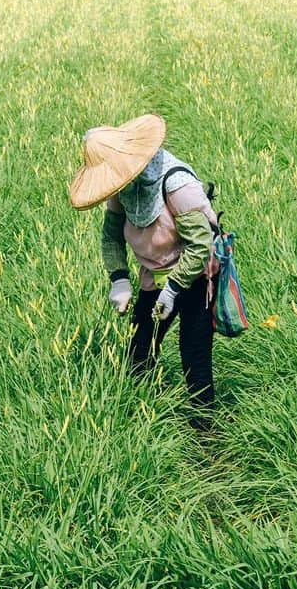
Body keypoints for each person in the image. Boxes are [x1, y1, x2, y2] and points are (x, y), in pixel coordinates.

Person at [69, 114, 217, 429]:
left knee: (194, 352)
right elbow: (111, 237)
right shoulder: (124, 187)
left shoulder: (177, 184)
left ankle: (205, 429)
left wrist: (175, 289)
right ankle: (140, 414)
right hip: (154, 276)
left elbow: (201, 244)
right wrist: (119, 279)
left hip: (196, 276)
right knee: (140, 347)